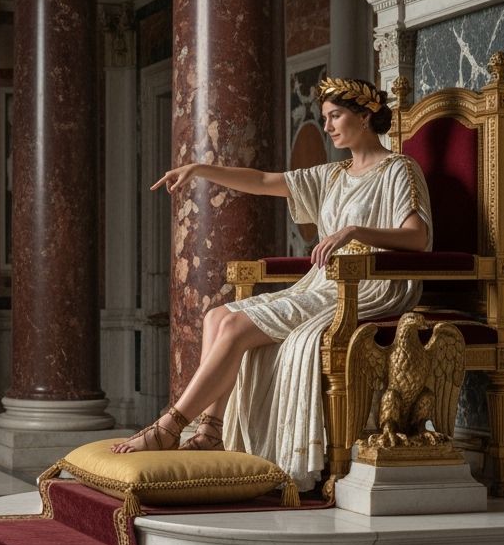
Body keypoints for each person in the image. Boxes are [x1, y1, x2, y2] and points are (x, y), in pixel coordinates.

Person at [113, 77, 432, 492]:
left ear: (366, 116)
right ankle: (211, 431)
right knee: (216, 315)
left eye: (336, 116)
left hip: (371, 285)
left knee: (234, 326)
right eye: (326, 118)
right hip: (325, 283)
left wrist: (356, 231)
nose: (330, 126)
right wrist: (201, 170)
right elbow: (264, 181)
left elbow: (418, 238)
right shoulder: (334, 175)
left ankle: (170, 425)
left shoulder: (399, 169)